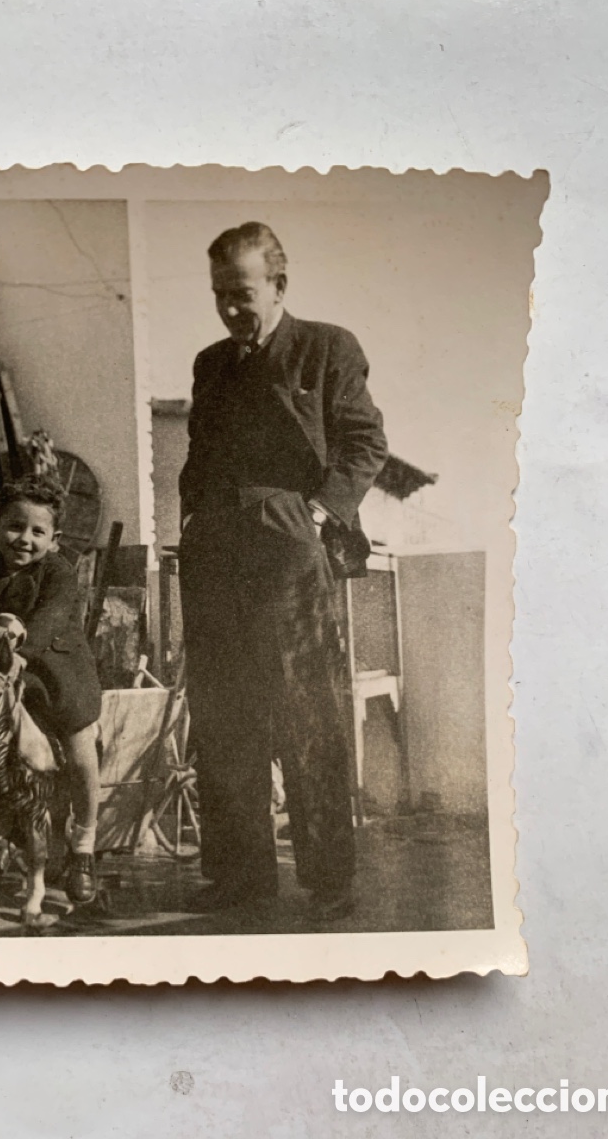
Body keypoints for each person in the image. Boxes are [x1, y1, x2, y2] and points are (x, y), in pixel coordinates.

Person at [178, 222, 388, 917]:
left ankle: (329, 881)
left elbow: (364, 444)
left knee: (309, 716)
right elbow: (200, 455)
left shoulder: (326, 347)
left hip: (291, 553)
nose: (230, 308)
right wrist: (191, 520)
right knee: (224, 717)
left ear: (277, 285)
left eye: (241, 293)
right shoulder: (211, 365)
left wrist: (323, 516)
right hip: (215, 556)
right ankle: (241, 874)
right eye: (219, 295)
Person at [0, 474, 103, 905]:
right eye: (14, 526)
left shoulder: (60, 575)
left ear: (54, 538)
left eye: (37, 531)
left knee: (82, 752)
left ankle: (83, 847)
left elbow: (49, 620)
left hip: (58, 680)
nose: (23, 539)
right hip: (7, 686)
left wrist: (19, 651)